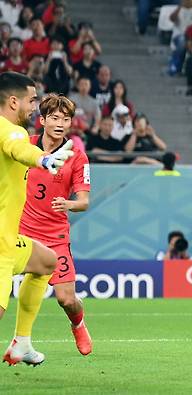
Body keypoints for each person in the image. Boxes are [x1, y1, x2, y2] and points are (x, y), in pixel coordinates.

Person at [0, 72, 74, 366]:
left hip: (10, 238)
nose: (35, 107)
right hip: (1, 245)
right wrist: (43, 158)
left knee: (46, 261)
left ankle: (22, 343)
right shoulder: (14, 131)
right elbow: (19, 148)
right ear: (14, 101)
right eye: (32, 100)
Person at [13, 93, 92, 359]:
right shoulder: (25, 146)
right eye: (55, 117)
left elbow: (84, 202)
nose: (60, 123)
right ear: (43, 120)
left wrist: (68, 204)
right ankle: (21, 341)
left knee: (66, 299)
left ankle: (78, 324)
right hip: (21, 231)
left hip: (56, 235)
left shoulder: (77, 157)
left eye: (66, 119)